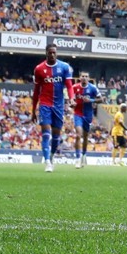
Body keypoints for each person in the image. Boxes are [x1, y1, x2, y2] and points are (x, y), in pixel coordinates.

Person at [31, 43, 74, 172]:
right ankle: (47, 162)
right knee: (46, 134)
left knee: (56, 136)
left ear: (57, 53)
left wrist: (71, 98)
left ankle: (51, 155)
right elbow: (36, 90)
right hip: (45, 104)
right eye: (50, 52)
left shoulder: (64, 67)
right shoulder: (39, 69)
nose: (52, 54)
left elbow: (69, 86)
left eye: (54, 52)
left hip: (58, 106)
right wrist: (33, 110)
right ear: (46, 53)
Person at [70, 72, 101, 169]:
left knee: (86, 137)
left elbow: (101, 99)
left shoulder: (93, 88)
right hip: (78, 114)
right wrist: (72, 103)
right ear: (79, 78)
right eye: (82, 76)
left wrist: (91, 100)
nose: (84, 78)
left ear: (88, 78)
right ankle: (78, 159)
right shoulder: (74, 87)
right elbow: (71, 100)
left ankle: (84, 155)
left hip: (88, 115)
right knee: (78, 135)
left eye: (86, 76)